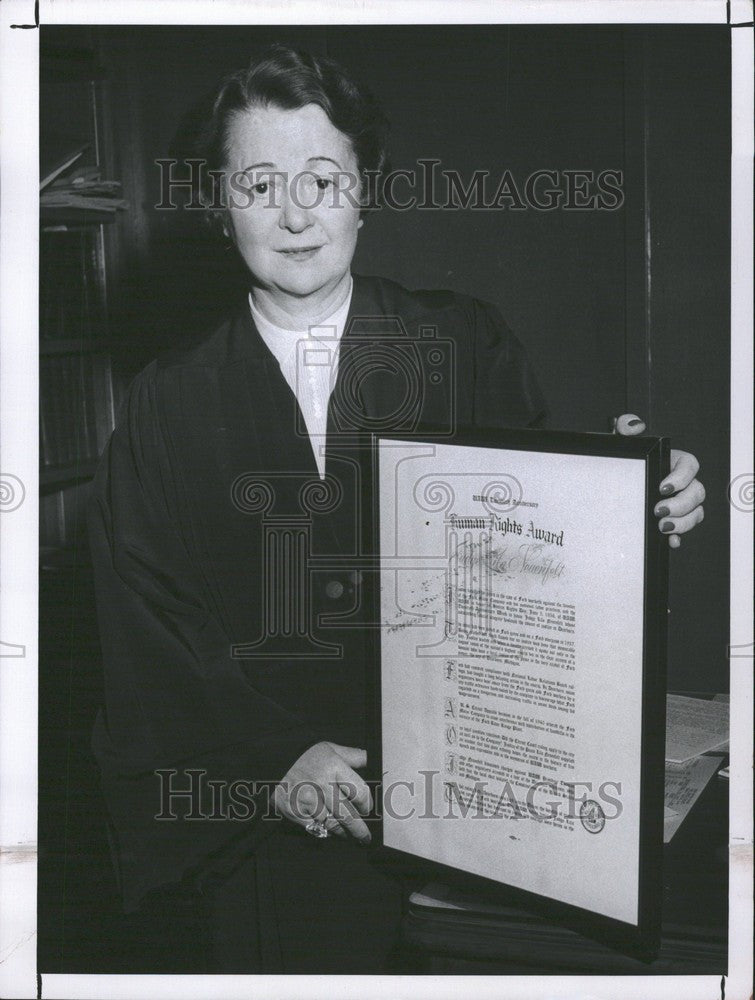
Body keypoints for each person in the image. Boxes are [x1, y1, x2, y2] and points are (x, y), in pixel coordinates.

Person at [88, 44, 706, 973]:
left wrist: (644, 505)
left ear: (364, 193)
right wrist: (275, 763)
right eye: (258, 184)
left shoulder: (462, 340)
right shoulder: (165, 404)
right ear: (218, 208)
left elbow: (540, 551)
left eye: (323, 180)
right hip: (273, 834)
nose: (295, 214)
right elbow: (147, 633)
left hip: (470, 810)